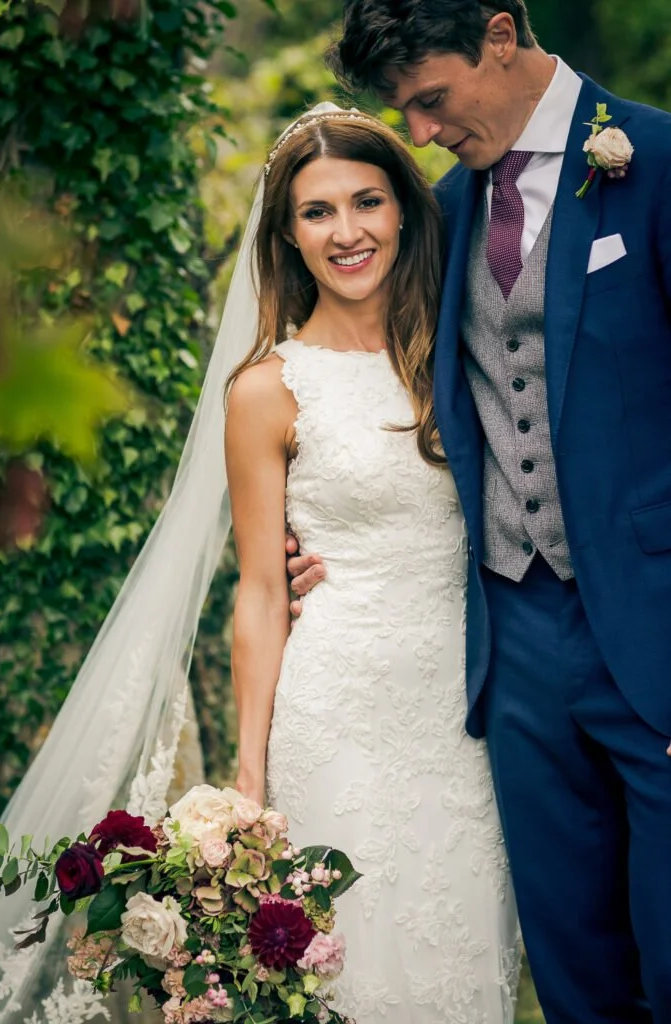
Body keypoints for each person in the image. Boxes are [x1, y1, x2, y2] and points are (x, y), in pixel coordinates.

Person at [287, 3, 671, 1023]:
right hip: (510, 636)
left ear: (498, 38)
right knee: (573, 966)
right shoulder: (445, 211)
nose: (419, 132)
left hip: (651, 619)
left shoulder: (659, 160)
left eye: (429, 100)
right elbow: (375, 383)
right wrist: (309, 526)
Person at [225, 108, 520, 1023]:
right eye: (317, 212)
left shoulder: (465, 351)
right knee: (347, 975)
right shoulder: (267, 390)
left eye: (366, 202)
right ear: (287, 232)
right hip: (336, 711)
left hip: (465, 718)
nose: (346, 232)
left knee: (459, 960)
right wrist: (247, 774)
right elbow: (262, 590)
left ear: (404, 211)